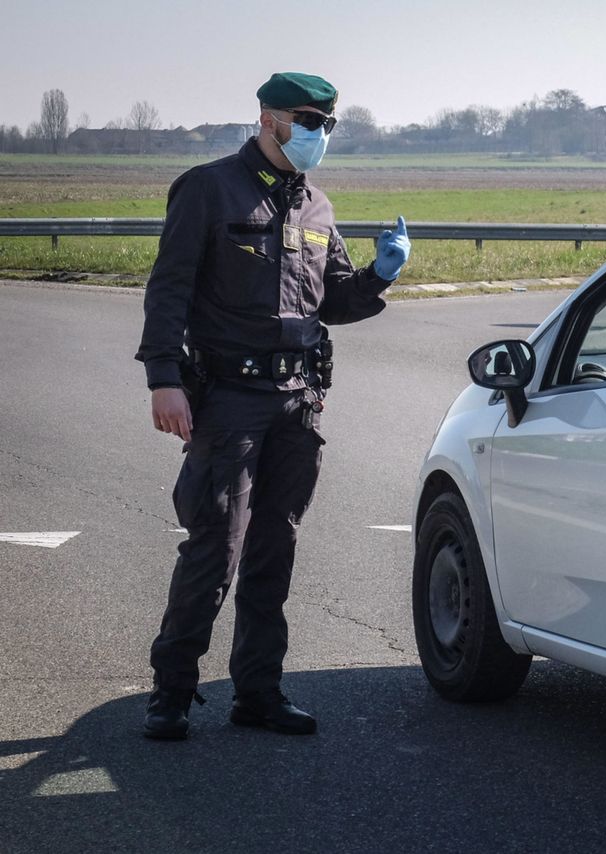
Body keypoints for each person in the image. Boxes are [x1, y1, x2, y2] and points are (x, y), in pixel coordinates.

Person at [135, 72, 412, 739]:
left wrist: (380, 274)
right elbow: (169, 287)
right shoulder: (209, 188)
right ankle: (172, 692)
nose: (321, 133)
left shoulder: (317, 206)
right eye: (311, 120)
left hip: (298, 403)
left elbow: (335, 301)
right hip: (228, 397)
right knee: (215, 546)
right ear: (271, 119)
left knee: (273, 548)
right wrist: (163, 376)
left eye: (329, 124)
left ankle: (258, 691)